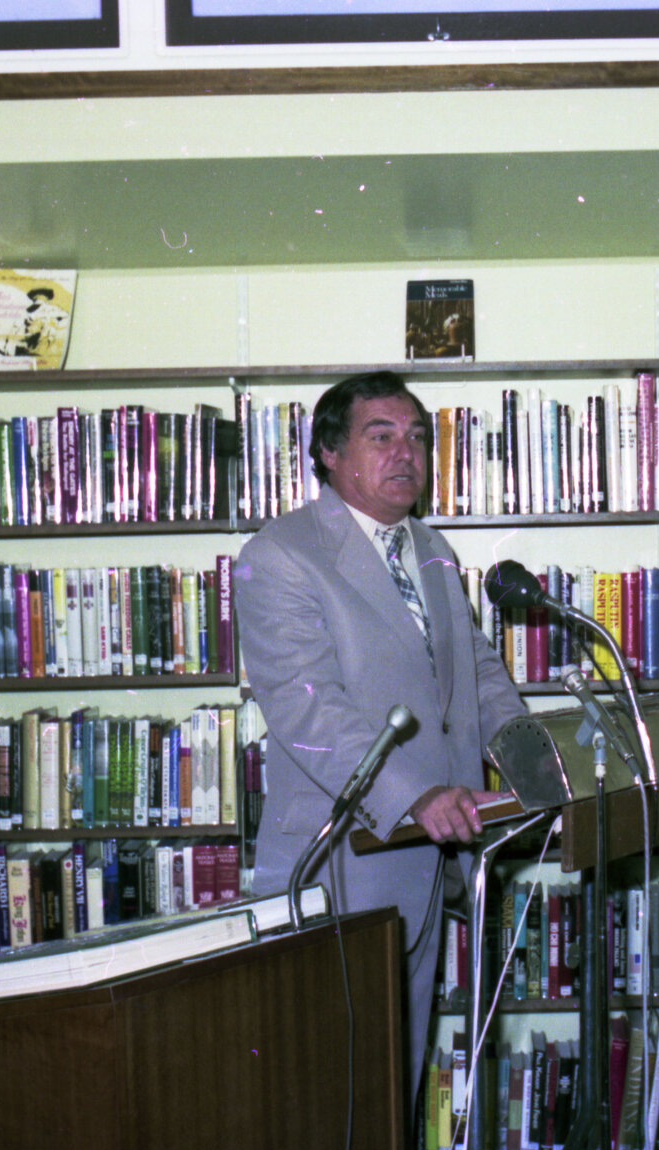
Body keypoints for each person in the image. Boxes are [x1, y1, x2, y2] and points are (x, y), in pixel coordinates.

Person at [232, 370, 529, 1109]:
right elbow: (308, 709)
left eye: (418, 436)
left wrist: (533, 752)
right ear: (329, 452)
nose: (407, 452)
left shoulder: (428, 547)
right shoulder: (281, 554)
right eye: (382, 435)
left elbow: (475, 671)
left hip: (428, 856)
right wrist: (413, 795)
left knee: (393, 1075)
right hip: (343, 858)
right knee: (333, 1086)